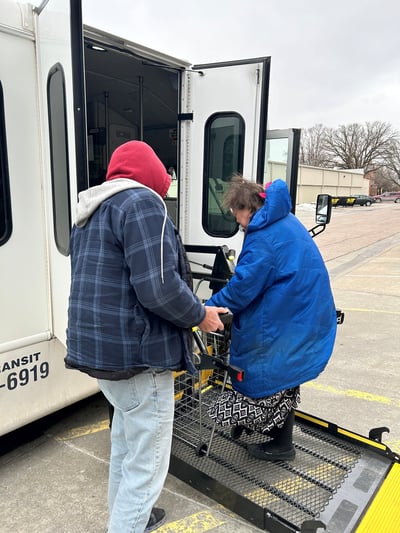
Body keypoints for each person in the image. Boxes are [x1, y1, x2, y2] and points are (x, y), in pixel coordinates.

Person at [65, 140, 226, 533]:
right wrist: (199, 315)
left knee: (126, 448)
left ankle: (130, 517)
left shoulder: (93, 210)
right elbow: (159, 288)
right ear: (152, 174)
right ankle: (129, 522)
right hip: (138, 357)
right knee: (148, 466)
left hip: (102, 354)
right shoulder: (143, 203)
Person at [206, 175, 337, 461]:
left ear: (248, 208)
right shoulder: (283, 220)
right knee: (285, 376)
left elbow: (242, 289)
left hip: (292, 319)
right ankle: (273, 434)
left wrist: (204, 309)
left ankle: (280, 445)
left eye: (236, 214)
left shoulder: (263, 235)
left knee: (270, 371)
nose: (238, 222)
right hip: (305, 315)